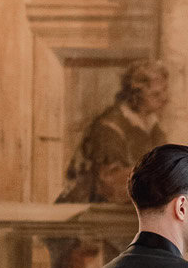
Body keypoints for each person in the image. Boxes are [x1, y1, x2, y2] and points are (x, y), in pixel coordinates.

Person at [59, 60, 169, 203]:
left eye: (165, 91)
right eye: (156, 94)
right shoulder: (109, 127)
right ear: (136, 94)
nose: (164, 98)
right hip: (94, 210)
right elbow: (109, 184)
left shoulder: (154, 128)